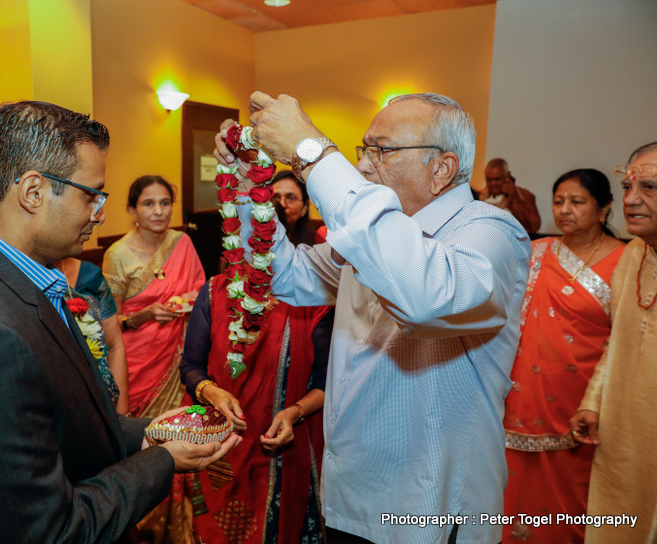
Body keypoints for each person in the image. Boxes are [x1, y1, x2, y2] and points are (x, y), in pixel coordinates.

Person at [0, 100, 239, 543]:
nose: (98, 212)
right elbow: (49, 533)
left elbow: (68, 426)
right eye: (90, 194)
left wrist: (160, 430)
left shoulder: (16, 283)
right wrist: (165, 459)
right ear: (34, 192)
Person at [215, 92, 531, 543]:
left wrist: (311, 151)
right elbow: (285, 273)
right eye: (363, 150)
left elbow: (427, 297)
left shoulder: (488, 230)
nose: (363, 166)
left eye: (381, 150)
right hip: (350, 493)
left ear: (441, 168)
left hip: (430, 506)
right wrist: (245, 189)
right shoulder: (370, 238)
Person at [502, 169, 624, 543]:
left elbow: (626, 340)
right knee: (512, 496)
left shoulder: (627, 261)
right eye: (559, 201)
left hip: (585, 401)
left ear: (603, 209)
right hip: (521, 397)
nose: (565, 210)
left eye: (577, 201)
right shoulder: (536, 253)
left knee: (572, 502)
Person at [178, 271, 333, 543]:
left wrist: (293, 412)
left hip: (286, 452)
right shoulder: (216, 291)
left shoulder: (311, 299)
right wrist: (213, 393)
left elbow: (326, 382)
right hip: (222, 450)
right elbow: (191, 366)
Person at [570, 142, 657, 543]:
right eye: (627, 187)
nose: (632, 200)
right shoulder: (632, 254)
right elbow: (616, 341)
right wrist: (593, 401)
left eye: (650, 187)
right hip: (621, 435)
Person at [102, 175, 205, 418]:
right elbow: (109, 322)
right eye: (148, 204)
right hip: (136, 360)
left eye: (165, 203)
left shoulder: (182, 242)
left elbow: (201, 292)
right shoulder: (117, 255)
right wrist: (144, 315)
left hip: (179, 356)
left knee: (180, 431)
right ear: (132, 210)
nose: (158, 211)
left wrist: (191, 300)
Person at [55, 257, 129, 414]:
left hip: (105, 399)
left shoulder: (91, 275)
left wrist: (123, 415)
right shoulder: (24, 277)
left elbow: (115, 345)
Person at [479, 158, 542, 233]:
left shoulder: (523, 195)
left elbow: (534, 227)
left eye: (497, 179)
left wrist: (512, 201)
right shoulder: (480, 196)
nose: (493, 184)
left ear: (507, 175)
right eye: (489, 179)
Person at [271, 169, 325, 245]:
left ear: (304, 208)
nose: (282, 204)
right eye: (275, 197)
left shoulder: (318, 242)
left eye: (291, 198)